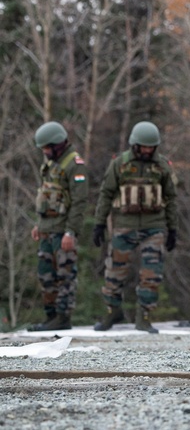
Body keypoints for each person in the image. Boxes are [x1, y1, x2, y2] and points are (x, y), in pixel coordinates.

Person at [93, 121, 179, 333]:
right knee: (114, 272)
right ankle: (113, 311)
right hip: (125, 225)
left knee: (151, 274)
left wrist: (173, 229)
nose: (147, 151)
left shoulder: (162, 166)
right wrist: (99, 223)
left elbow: (171, 198)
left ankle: (144, 317)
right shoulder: (120, 164)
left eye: (151, 147)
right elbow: (106, 194)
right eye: (144, 147)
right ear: (135, 145)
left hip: (154, 226)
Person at [27, 121, 88, 331]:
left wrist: (71, 232)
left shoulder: (74, 164)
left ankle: (63, 318)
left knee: (65, 275)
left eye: (46, 148)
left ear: (57, 144)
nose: (44, 152)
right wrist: (39, 224)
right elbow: (46, 195)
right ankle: (50, 317)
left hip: (63, 231)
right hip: (47, 229)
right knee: (46, 275)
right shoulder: (51, 163)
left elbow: (80, 202)